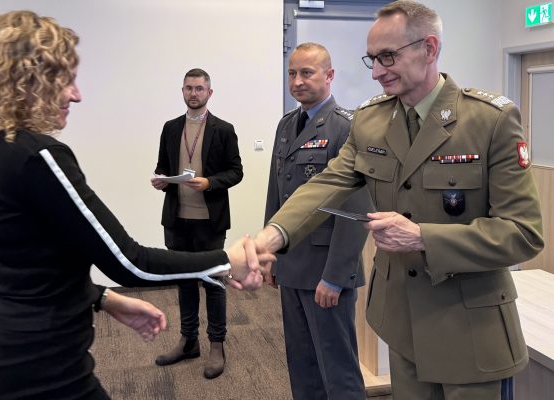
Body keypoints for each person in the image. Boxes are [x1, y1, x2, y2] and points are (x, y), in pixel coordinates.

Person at [0, 11, 269, 400]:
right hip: (43, 370)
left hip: (11, 355)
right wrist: (227, 261)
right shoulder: (41, 156)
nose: (76, 94)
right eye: (65, 79)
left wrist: (102, 298)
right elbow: (129, 261)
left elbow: (30, 266)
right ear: (28, 80)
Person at [254, 1, 544, 399]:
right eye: (372, 58)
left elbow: (523, 234)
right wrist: (270, 237)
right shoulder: (372, 120)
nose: (375, 72)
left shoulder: (489, 120)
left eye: (387, 56)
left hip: (471, 330)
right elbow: (327, 183)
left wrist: (423, 237)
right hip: (401, 324)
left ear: (429, 48)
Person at [265, 42, 372, 400]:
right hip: (293, 267)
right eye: (292, 73)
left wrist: (336, 276)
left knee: (337, 368)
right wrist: (271, 257)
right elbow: (277, 198)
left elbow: (355, 210)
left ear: (329, 76)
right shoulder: (286, 125)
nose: (297, 81)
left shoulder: (346, 128)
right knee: (302, 363)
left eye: (306, 72)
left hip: (327, 271)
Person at [150, 68, 243, 379]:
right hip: (177, 221)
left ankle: (216, 344)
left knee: (213, 284)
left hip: (209, 221)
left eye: (199, 88)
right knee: (185, 282)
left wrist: (210, 183)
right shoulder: (170, 128)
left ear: (209, 93)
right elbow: (163, 166)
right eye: (189, 88)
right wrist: (162, 180)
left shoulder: (224, 129)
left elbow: (236, 172)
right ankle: (188, 340)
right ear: (182, 91)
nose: (194, 93)